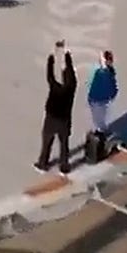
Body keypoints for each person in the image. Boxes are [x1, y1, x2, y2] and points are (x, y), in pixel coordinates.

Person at [35, 41, 77, 174]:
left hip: (51, 118)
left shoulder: (54, 87)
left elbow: (50, 74)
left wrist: (52, 55)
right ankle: (64, 166)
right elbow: (71, 73)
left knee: (47, 141)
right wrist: (66, 55)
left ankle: (43, 163)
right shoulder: (71, 88)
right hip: (64, 120)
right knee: (64, 143)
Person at [86, 51, 118, 132]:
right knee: (101, 120)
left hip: (97, 100)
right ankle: (102, 131)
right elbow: (114, 88)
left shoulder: (101, 72)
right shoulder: (110, 72)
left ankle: (101, 132)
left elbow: (91, 83)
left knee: (98, 121)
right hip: (103, 100)